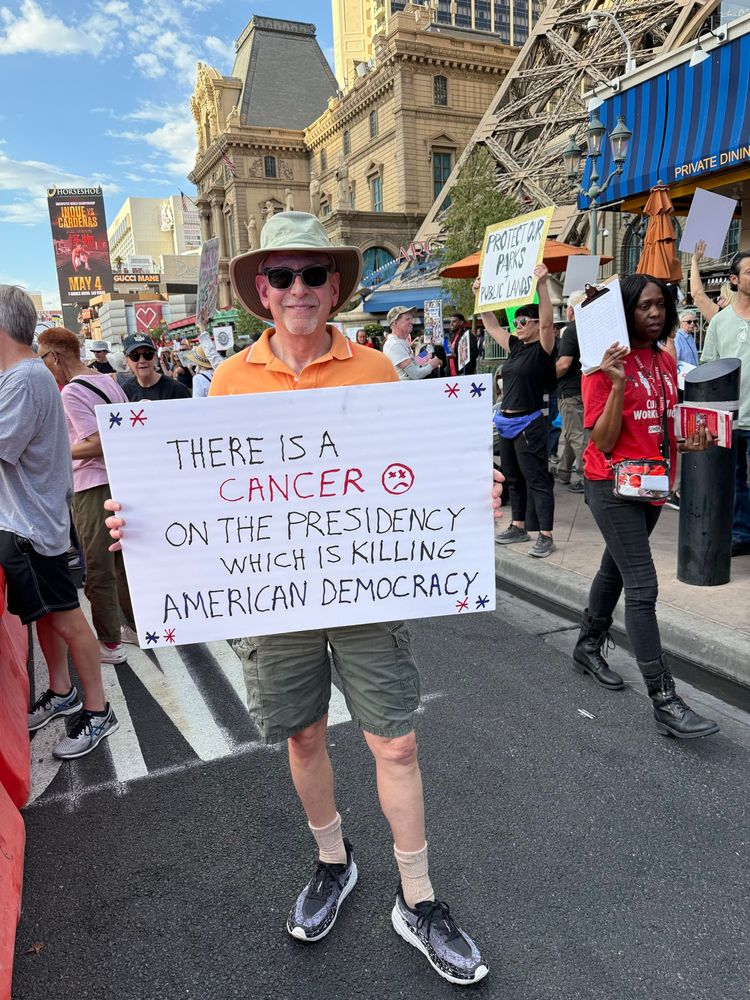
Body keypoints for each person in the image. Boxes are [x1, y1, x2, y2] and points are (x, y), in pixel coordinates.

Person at [106, 212, 503, 985]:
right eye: (281, 276)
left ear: (333, 285)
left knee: (396, 741)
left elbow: (414, 471)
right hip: (272, 596)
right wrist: (140, 516)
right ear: (261, 289)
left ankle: (417, 899)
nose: (297, 289)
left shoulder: (377, 370)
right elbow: (205, 491)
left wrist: (469, 490)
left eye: (312, 274)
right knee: (304, 737)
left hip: (362, 589)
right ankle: (333, 859)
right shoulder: (227, 380)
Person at [575, 273, 719, 738]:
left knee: (615, 570)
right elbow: (603, 437)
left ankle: (588, 645)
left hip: (651, 487)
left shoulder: (663, 359)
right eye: (644, 307)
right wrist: (615, 385)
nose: (655, 313)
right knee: (643, 586)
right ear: (625, 311)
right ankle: (664, 699)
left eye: (661, 305)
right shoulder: (603, 363)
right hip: (611, 485)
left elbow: (660, 422)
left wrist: (689, 442)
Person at [0, 286, 119, 760]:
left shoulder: (25, 379)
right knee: (47, 615)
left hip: (33, 523)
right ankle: (64, 691)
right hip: (30, 519)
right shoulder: (24, 375)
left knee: (67, 617)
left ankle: (98, 710)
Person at [37, 327, 136, 662]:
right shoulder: (107, 381)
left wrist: (58, 451)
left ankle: (110, 642)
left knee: (98, 565)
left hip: (93, 486)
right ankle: (134, 628)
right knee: (124, 562)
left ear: (54, 356)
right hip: (122, 480)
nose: (43, 367)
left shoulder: (71, 393)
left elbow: (96, 442)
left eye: (42, 359)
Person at [477, 265, 558, 558]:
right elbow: (492, 327)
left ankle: (546, 535)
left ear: (536, 323)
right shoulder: (515, 348)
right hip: (507, 422)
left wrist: (541, 285)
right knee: (513, 478)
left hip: (529, 422)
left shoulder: (544, 348)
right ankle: (518, 525)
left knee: (536, 477)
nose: (517, 325)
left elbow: (548, 324)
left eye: (523, 320)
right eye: (516, 320)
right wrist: (481, 298)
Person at [701, 250, 750, 557]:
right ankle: (741, 533)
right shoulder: (720, 322)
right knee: (733, 481)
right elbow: (709, 368)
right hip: (732, 419)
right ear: (734, 280)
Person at [555, 291, 586, 493]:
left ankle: (587, 476)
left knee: (576, 435)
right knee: (571, 432)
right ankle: (564, 470)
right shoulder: (591, 328)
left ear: (572, 310)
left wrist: (546, 376)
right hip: (585, 387)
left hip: (570, 391)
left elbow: (564, 364)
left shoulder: (571, 331)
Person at [121, 333, 192, 402]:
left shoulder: (177, 390)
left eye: (148, 354)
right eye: (134, 355)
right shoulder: (124, 392)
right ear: (127, 360)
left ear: (154, 358)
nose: (142, 360)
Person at [383, 306, 441, 380]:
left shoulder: (400, 341)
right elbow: (416, 374)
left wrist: (429, 348)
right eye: (407, 319)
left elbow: (414, 362)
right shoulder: (395, 344)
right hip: (404, 390)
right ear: (395, 323)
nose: (412, 322)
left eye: (411, 319)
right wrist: (432, 365)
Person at [690, 239, 736, 324]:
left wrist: (694, 261)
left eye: (721, 298)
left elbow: (697, 293)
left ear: (731, 298)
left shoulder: (723, 316)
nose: (718, 301)